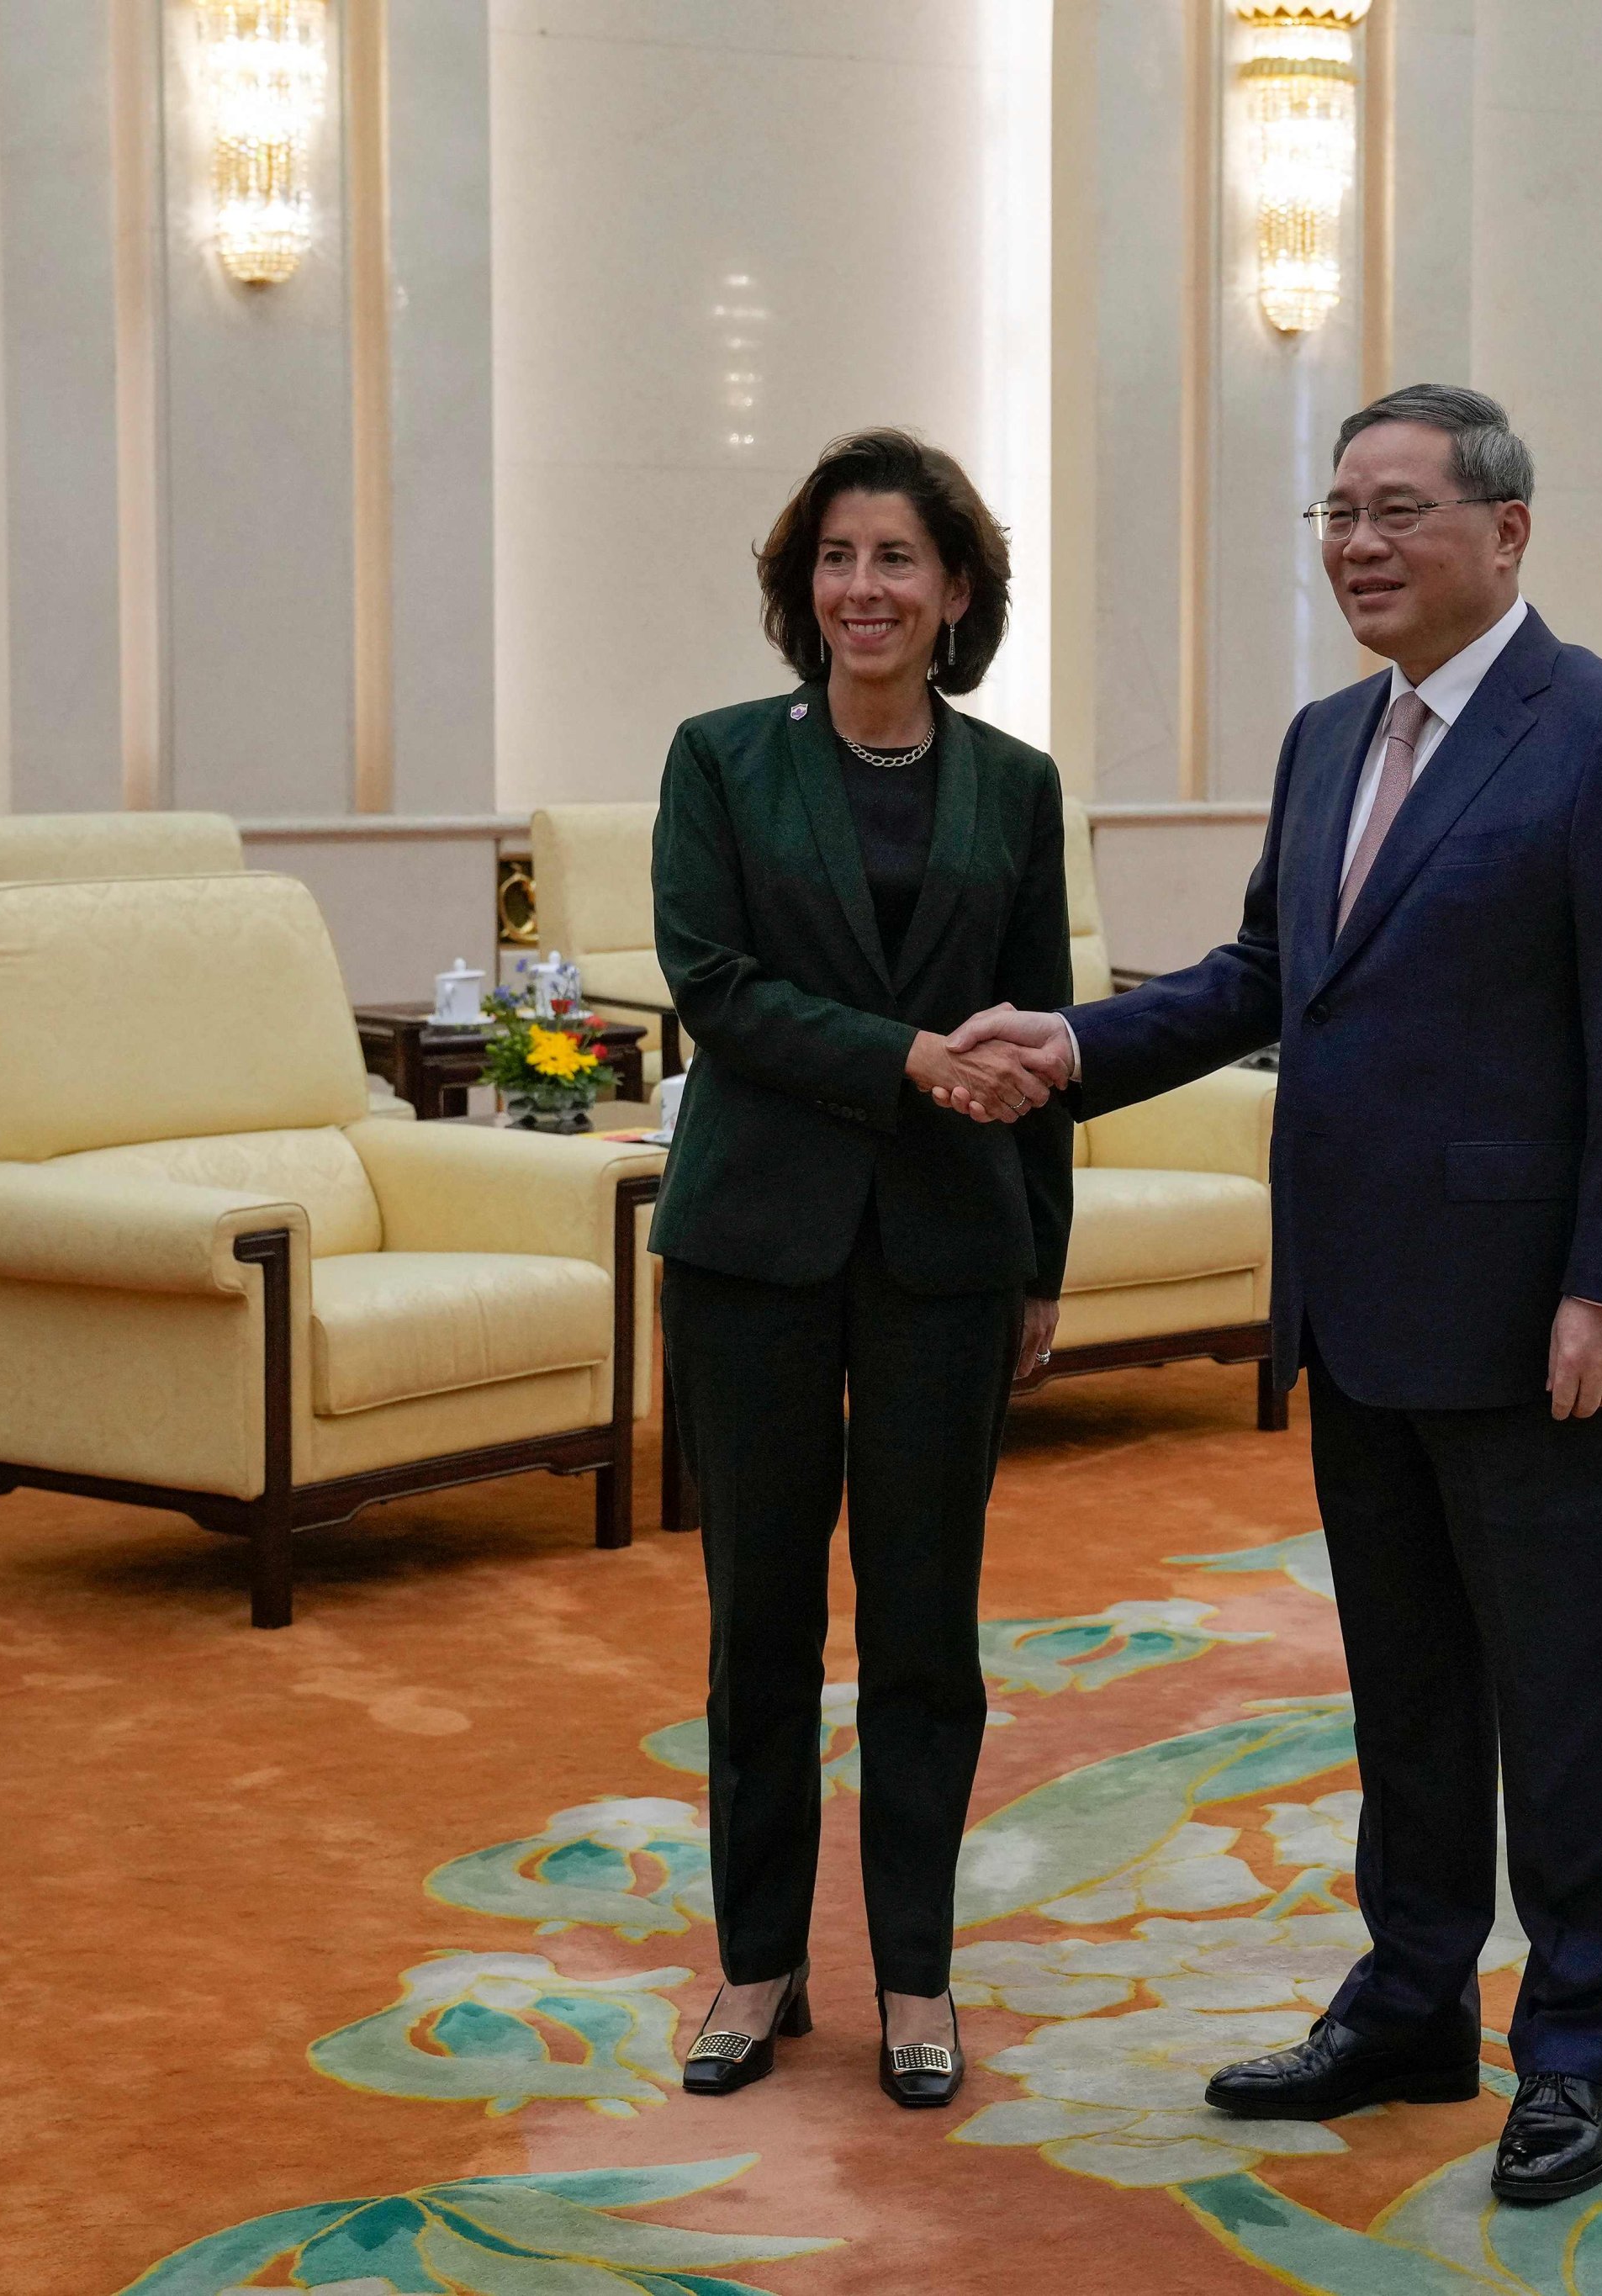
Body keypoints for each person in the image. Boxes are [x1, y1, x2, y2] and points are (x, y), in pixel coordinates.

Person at [942, 384, 1602, 2203]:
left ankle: (1573, 2045)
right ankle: (1409, 1998)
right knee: (1408, 1690)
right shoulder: (1321, 741)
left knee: (1561, 1693)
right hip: (1359, 1307)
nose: (1356, 545)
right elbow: (1259, 979)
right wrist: (1069, 1040)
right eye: (1334, 513)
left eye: (1396, 511)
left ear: (1506, 530)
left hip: (1539, 1323)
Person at [648, 428, 1071, 2112]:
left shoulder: (1014, 789)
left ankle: (914, 1975)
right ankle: (757, 1968)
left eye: (896, 559)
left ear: (955, 590)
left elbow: (1040, 1041)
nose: (862, 589)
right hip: (752, 1246)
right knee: (758, 1622)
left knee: (921, 1630)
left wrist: (1041, 1256)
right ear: (798, 586)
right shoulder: (720, 762)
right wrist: (905, 1058)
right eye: (834, 558)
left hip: (949, 1255)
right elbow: (716, 989)